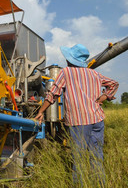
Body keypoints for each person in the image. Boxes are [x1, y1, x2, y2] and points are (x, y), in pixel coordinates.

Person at [35, 44, 119, 186]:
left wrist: (41, 111)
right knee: (96, 156)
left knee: (79, 158)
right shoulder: (94, 73)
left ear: (69, 60)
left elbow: (53, 94)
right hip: (98, 119)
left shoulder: (66, 72)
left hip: (79, 122)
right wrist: (104, 97)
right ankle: (100, 184)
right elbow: (114, 84)